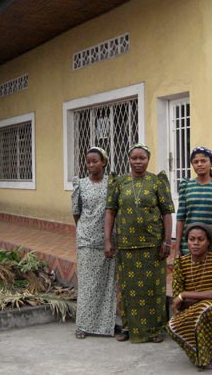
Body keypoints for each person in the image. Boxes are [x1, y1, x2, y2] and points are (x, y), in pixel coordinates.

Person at [104, 143, 175, 343]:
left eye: (142, 158)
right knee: (128, 287)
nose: (138, 162)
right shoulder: (119, 183)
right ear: (129, 159)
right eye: (134, 158)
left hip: (152, 244)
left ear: (148, 159)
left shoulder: (156, 182)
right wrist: (107, 240)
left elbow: (166, 212)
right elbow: (110, 211)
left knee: (153, 287)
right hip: (126, 244)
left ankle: (154, 330)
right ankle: (128, 328)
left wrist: (167, 241)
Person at [166, 223, 212, 370]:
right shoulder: (180, 263)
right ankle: (201, 356)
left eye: (200, 239)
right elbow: (179, 303)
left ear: (208, 241)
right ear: (187, 241)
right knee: (173, 326)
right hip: (198, 309)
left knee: (207, 309)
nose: (195, 243)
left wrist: (185, 294)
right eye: (192, 239)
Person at [72, 147, 116, 339]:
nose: (91, 165)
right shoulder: (80, 184)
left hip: (108, 240)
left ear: (104, 162)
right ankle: (82, 325)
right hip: (87, 240)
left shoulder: (112, 183)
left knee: (106, 284)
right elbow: (76, 212)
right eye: (88, 161)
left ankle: (105, 326)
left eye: (95, 161)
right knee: (87, 284)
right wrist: (84, 230)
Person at [174, 146, 212, 257]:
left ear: (211, 163)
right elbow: (181, 218)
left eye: (203, 161)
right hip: (190, 247)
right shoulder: (186, 185)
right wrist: (177, 248)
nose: (199, 164)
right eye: (196, 162)